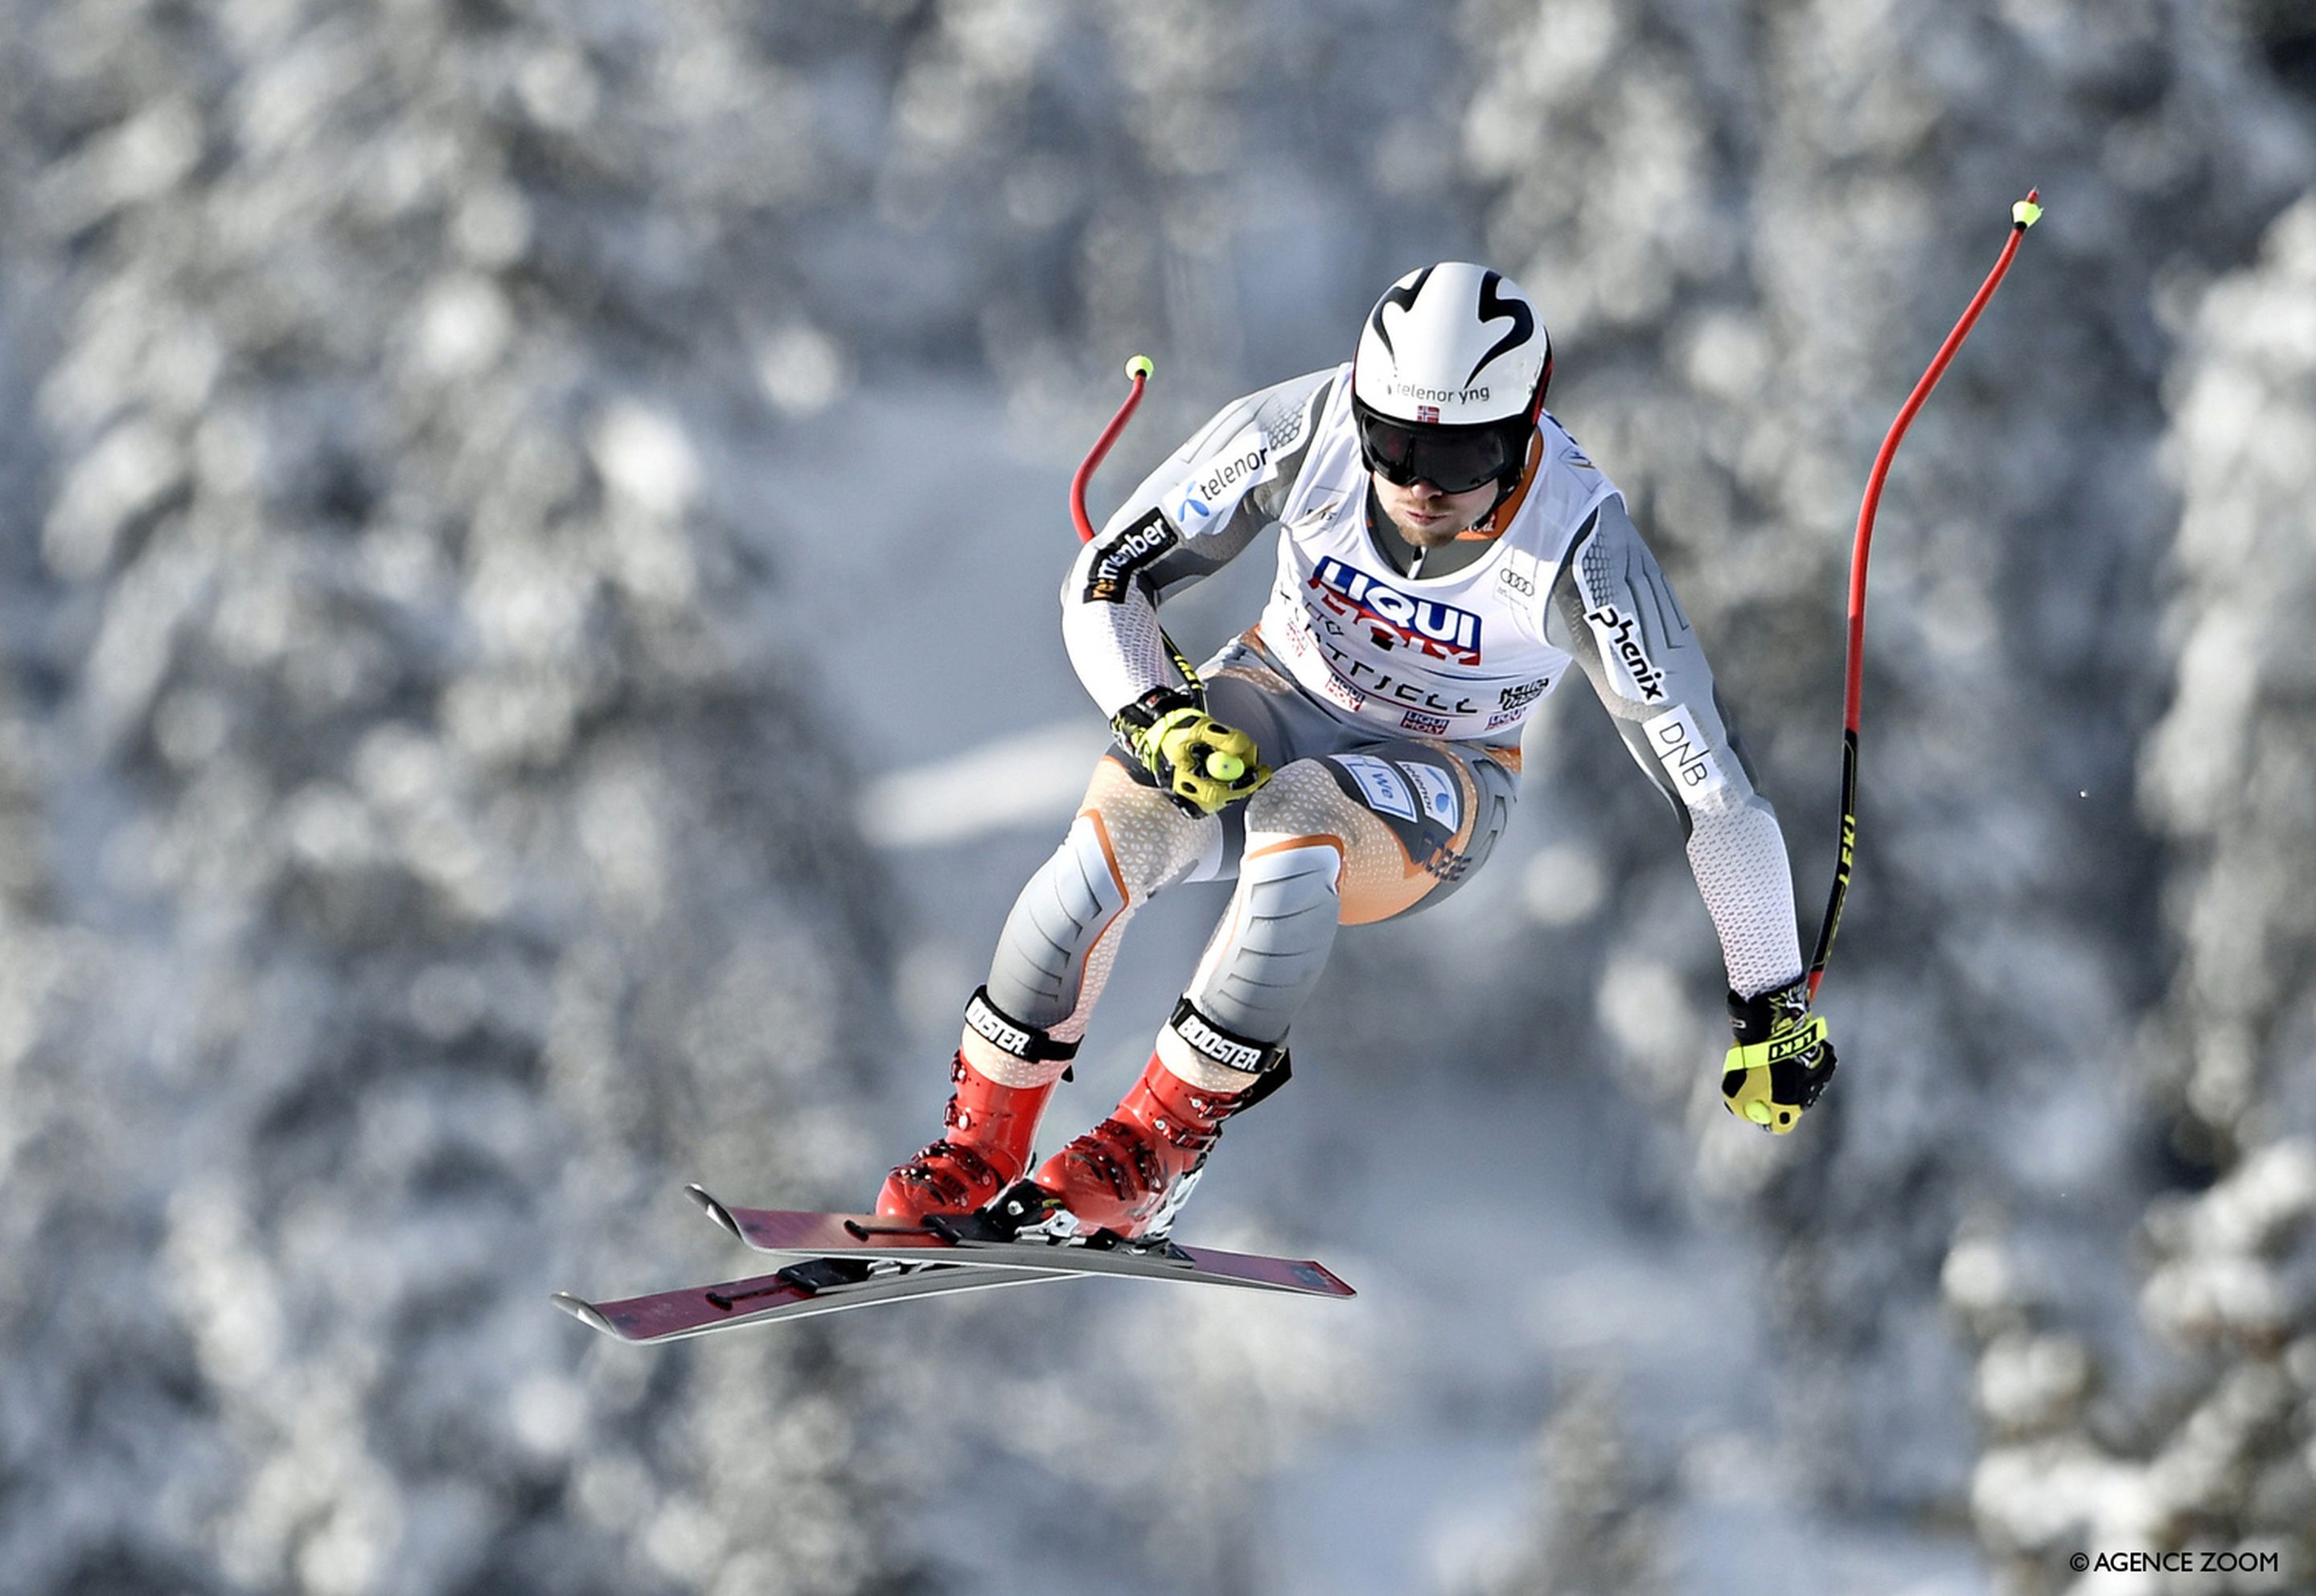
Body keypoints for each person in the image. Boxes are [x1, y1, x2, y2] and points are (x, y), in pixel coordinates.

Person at [877, 261, 1838, 1240]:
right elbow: (1106, 576)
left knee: (1304, 818)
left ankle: (1158, 1145)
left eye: (1462, 459)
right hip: (1269, 698)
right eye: (1393, 442)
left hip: (1440, 777)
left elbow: (1713, 791)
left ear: (1523, 435)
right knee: (1104, 848)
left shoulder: (1581, 550)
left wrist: (1770, 998)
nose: (1420, 484)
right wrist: (1157, 709)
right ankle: (979, 1144)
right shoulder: (1301, 430)